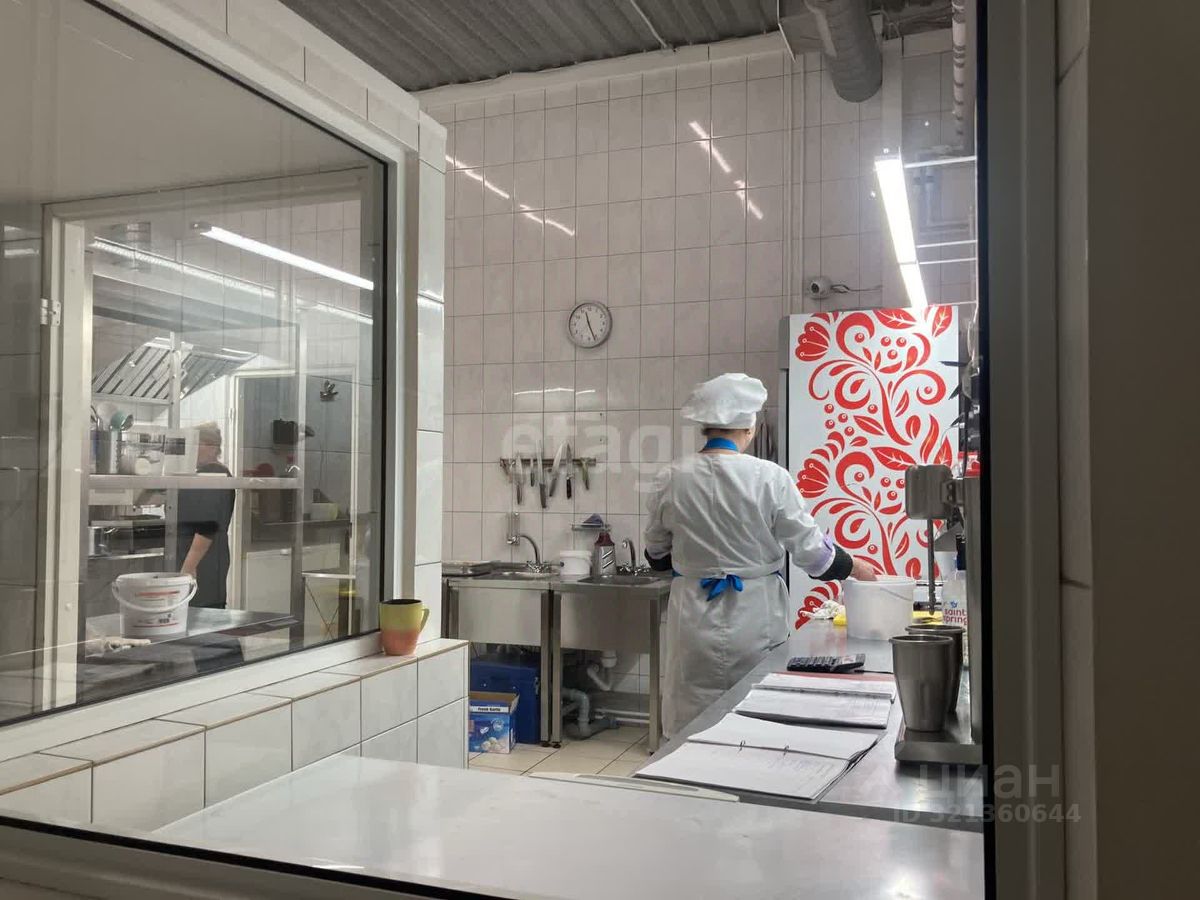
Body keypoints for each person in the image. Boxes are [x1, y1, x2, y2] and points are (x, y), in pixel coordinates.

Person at [644, 373, 877, 735]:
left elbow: (657, 554)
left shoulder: (672, 477)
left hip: (693, 616)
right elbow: (814, 556)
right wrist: (856, 567)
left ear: (706, 427)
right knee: (755, 711)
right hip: (755, 614)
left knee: (692, 716)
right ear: (748, 429)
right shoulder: (770, 477)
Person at [177, 422, 236, 609]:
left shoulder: (214, 473)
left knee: (202, 613)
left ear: (212, 447)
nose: (190, 450)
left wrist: (189, 566)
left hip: (204, 560)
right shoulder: (204, 474)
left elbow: (207, 526)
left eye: (195, 444)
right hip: (204, 557)